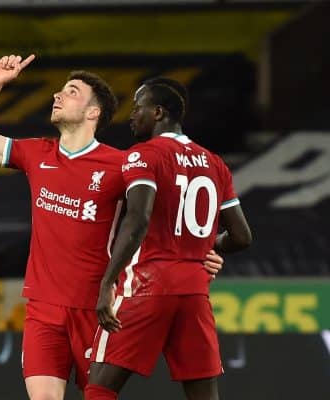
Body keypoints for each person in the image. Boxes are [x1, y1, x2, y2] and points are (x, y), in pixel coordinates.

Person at [0, 55, 224, 400]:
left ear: (93, 112)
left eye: (70, 92)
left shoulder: (122, 163)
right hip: (43, 307)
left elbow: (165, 217)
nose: (57, 95)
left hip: (96, 307)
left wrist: (205, 253)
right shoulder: (37, 153)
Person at [84, 77, 252, 400]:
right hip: (195, 290)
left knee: (99, 385)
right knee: (204, 395)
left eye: (138, 108)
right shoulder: (215, 163)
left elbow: (139, 218)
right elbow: (242, 236)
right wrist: (208, 247)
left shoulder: (143, 156)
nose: (132, 116)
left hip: (148, 284)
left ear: (158, 112)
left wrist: (107, 283)